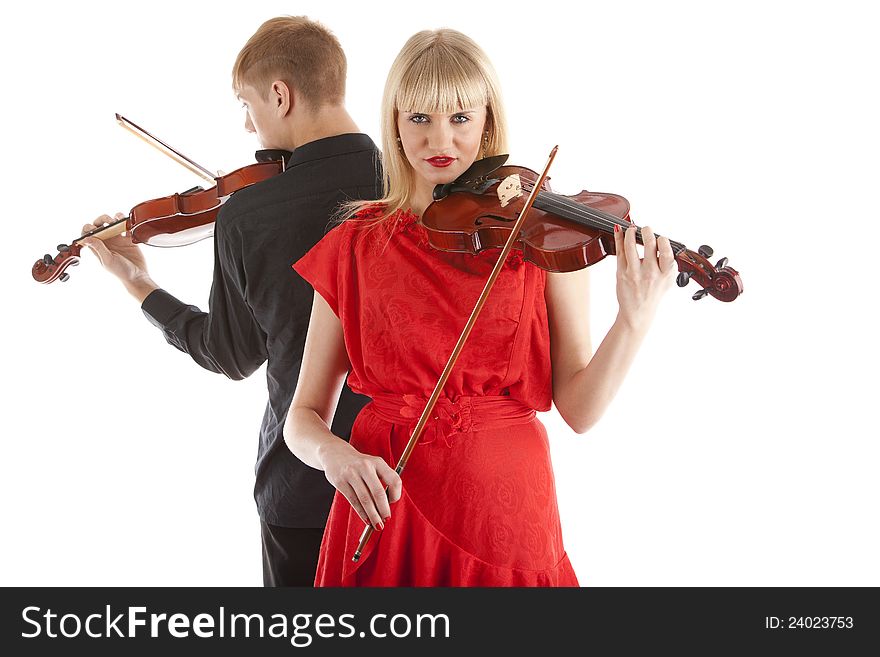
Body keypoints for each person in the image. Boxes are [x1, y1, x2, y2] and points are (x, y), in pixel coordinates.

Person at [284, 28, 676, 586]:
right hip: (387, 510)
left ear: (487, 122)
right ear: (394, 122)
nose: (438, 138)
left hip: (506, 512)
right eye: (418, 118)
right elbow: (302, 419)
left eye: (460, 118)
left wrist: (634, 320)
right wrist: (335, 457)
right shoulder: (355, 243)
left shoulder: (538, 235)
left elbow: (580, 411)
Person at [79, 16, 382, 586]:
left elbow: (231, 355)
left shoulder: (250, 212)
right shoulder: (416, 183)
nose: (248, 124)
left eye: (246, 104)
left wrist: (136, 281)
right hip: (411, 480)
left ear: (279, 94)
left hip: (302, 490)